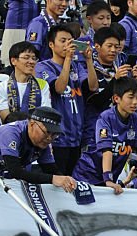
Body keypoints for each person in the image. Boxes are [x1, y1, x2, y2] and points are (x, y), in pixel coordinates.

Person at [73, 77, 137, 195]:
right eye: (131, 97)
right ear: (117, 98)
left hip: (108, 179)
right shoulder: (105, 117)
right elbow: (107, 150)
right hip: (87, 176)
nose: (135, 102)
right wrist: (109, 180)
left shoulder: (136, 119)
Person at [37, 24, 98, 175]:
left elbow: (93, 87)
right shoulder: (43, 67)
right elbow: (59, 88)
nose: (67, 45)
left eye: (70, 41)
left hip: (76, 137)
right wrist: (68, 59)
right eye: (63, 41)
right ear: (51, 44)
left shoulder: (77, 67)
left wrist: (89, 61)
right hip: (56, 138)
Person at [0, 42, 52, 122]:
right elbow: (5, 117)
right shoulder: (1, 87)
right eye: (26, 57)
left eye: (34, 58)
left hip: (36, 131)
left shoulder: (43, 85)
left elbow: (45, 113)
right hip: (10, 131)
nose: (31, 61)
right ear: (13, 61)